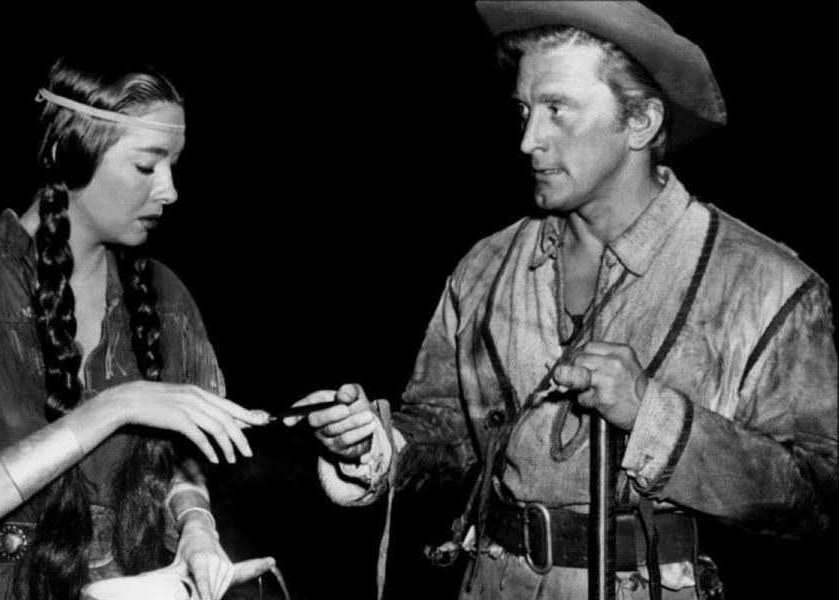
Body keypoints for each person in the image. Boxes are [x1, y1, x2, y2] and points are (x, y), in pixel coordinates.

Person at [289, 2, 838, 599]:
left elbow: (815, 496)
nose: (528, 140)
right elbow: (449, 425)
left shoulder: (764, 285)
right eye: (525, 111)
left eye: (558, 109)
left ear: (641, 122)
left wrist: (653, 415)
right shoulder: (487, 266)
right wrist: (377, 445)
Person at [0, 55, 271, 600]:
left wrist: (196, 527)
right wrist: (117, 405)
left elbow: (183, 464)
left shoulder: (165, 296)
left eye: (174, 165)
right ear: (70, 153)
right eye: (146, 166)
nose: (170, 190)